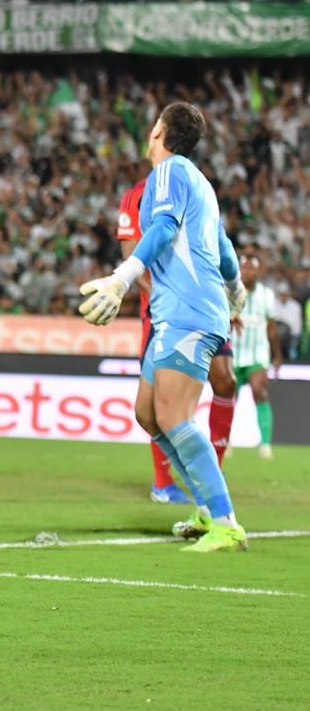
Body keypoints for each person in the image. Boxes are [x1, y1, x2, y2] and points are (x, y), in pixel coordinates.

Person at [80, 102, 248, 552]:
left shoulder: (170, 172)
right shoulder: (202, 185)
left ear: (160, 131)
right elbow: (225, 249)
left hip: (189, 311)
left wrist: (123, 276)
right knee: (148, 413)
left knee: (174, 415)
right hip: (175, 313)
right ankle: (209, 509)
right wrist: (236, 287)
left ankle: (226, 522)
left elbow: (164, 226)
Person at [116, 176, 238, 505]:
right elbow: (132, 258)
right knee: (154, 409)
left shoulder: (197, 190)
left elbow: (217, 248)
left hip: (203, 305)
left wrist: (228, 295)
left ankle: (212, 480)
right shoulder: (135, 196)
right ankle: (164, 484)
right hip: (163, 312)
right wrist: (169, 297)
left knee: (226, 381)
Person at [231, 255, 281, 459]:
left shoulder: (267, 295)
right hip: (233, 354)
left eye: (251, 268)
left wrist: (277, 354)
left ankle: (266, 444)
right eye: (244, 268)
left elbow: (271, 326)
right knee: (227, 397)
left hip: (257, 353)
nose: (248, 272)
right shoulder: (230, 292)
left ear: (258, 272)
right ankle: (225, 440)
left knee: (259, 391)